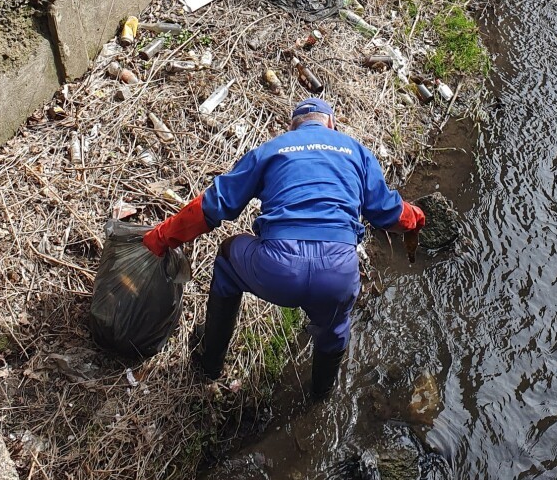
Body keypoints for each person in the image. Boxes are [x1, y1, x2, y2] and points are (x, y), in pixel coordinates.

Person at [142, 97, 425, 398]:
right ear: (332, 124)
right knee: (334, 328)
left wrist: (161, 238)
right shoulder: (356, 151)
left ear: (293, 126)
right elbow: (390, 213)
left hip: (277, 270)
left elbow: (213, 205)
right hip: (337, 274)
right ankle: (321, 395)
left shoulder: (273, 149)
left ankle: (211, 363)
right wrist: (416, 218)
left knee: (227, 259)